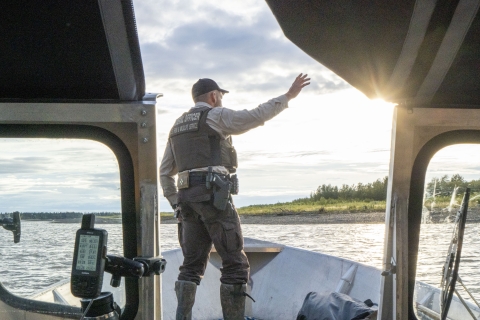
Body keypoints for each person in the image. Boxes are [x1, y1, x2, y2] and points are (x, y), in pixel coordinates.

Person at [160, 74, 310, 319]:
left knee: (190, 266)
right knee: (235, 265)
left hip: (186, 202)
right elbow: (255, 116)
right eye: (220, 95)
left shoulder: (177, 126)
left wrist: (175, 201)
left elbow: (165, 172)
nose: (220, 99)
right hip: (212, 197)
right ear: (213, 96)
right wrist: (288, 97)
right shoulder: (215, 116)